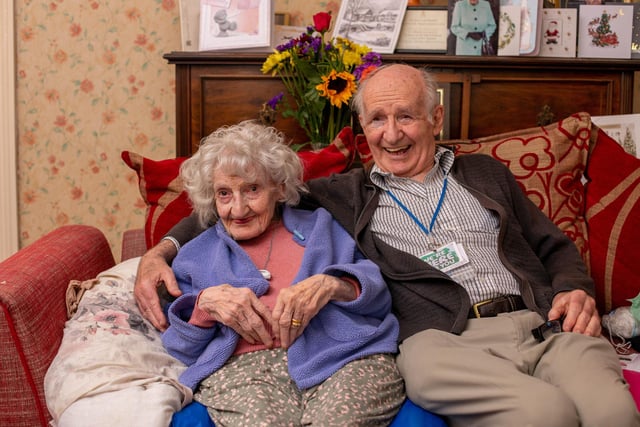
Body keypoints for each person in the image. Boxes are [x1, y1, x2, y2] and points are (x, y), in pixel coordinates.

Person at [136, 64, 640, 426]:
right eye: (377, 119)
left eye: (407, 117)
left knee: (613, 413)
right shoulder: (343, 194)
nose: (392, 134)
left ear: (436, 119)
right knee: (542, 414)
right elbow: (244, 199)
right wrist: (161, 251)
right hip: (446, 337)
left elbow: (553, 245)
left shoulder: (485, 173)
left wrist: (574, 289)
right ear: (362, 130)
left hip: (540, 322)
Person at [159, 120, 404, 426]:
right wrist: (204, 306)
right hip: (246, 374)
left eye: (252, 189)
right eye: (224, 193)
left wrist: (332, 285)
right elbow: (178, 346)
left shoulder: (320, 226)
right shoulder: (195, 255)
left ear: (279, 187)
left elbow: (378, 297)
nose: (238, 208)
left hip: (342, 358)